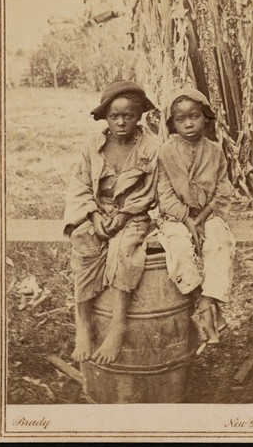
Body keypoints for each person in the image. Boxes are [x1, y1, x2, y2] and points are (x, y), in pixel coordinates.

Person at [64, 80, 159, 365]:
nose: (121, 122)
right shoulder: (93, 146)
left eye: (128, 115)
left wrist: (124, 214)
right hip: (96, 209)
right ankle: (83, 325)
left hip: (131, 213)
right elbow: (79, 186)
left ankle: (118, 325)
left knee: (124, 249)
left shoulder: (150, 148)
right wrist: (93, 215)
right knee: (84, 243)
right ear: (105, 116)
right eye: (114, 116)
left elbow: (150, 190)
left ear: (139, 114)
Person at [157, 88, 236, 349]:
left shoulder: (215, 151)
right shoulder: (166, 152)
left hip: (208, 214)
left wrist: (201, 218)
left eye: (194, 116)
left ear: (205, 118)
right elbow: (164, 194)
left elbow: (223, 190)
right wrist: (187, 220)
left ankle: (205, 306)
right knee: (179, 248)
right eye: (181, 119)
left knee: (219, 243)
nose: (188, 123)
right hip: (175, 217)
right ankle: (202, 301)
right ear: (172, 123)